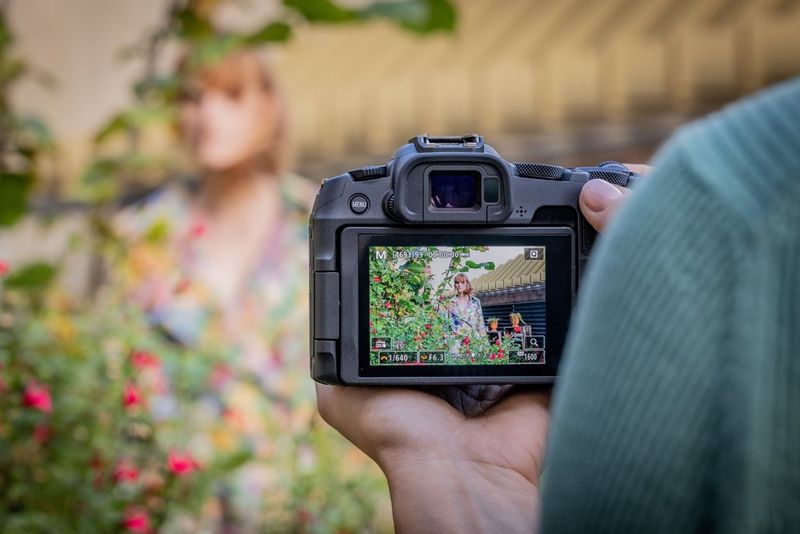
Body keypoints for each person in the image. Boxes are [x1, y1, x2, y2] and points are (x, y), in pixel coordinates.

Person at [317, 77, 800, 532]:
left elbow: (478, 329)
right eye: (462, 285)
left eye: (465, 284)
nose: (464, 288)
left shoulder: (729, 175)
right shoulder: (736, 171)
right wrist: (447, 472)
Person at [115, 49, 387, 530]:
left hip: (309, 509)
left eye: (231, 95)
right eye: (193, 97)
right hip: (179, 511)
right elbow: (117, 384)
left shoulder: (325, 222)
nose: (208, 115)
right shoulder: (141, 236)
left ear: (268, 106)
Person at [444, 273, 487, 339]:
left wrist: (484, 343)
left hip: (473, 341)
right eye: (457, 282)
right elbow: (446, 325)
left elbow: (480, 324)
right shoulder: (450, 303)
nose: (459, 285)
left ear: (467, 284)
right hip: (456, 343)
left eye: (462, 282)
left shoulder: (475, 302)